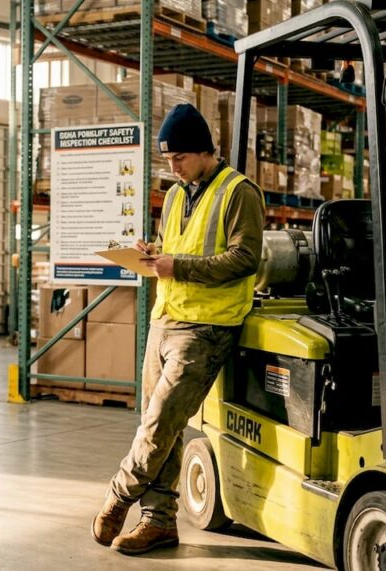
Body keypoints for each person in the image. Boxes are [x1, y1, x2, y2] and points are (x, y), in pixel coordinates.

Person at [91, 103, 265, 555]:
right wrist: (153, 253)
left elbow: (245, 259)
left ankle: (118, 495)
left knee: (159, 424)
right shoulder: (174, 195)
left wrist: (176, 265)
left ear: (206, 151)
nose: (173, 167)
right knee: (159, 428)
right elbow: (175, 248)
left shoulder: (239, 192)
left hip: (207, 327)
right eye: (167, 160)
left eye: (180, 158)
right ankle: (159, 521)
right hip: (165, 320)